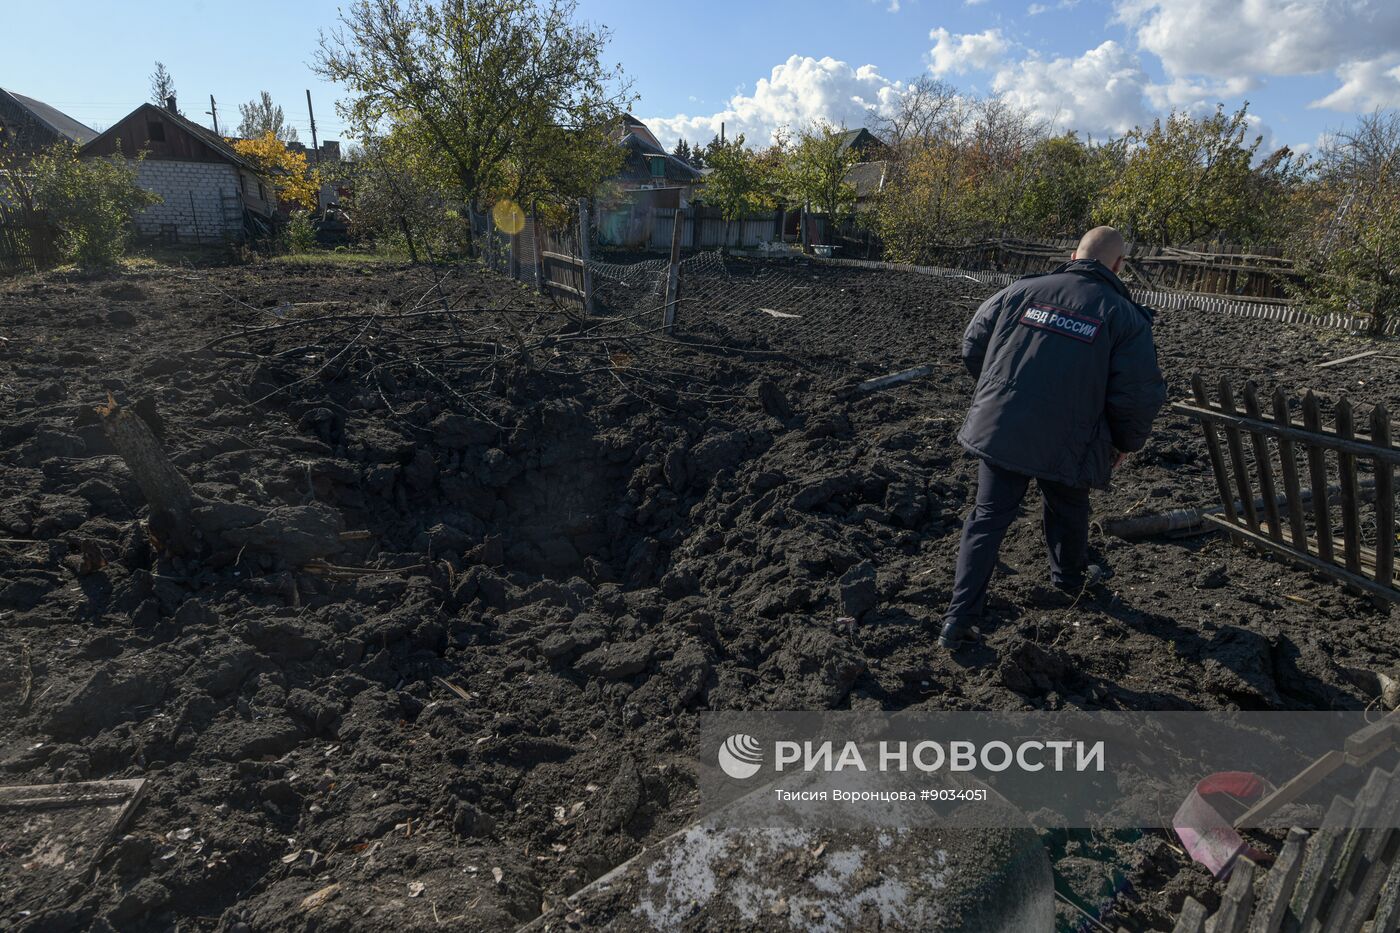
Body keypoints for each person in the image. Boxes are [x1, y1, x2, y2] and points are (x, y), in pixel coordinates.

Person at [939, 226, 1167, 650]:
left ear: (1075, 255)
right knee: (1068, 506)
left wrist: (1000, 394)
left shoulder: (1021, 291)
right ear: (1119, 265)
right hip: (1070, 437)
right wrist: (1124, 443)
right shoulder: (1123, 316)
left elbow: (973, 345)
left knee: (988, 517)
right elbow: (1136, 396)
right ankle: (1069, 580)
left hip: (1003, 427)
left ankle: (958, 619)